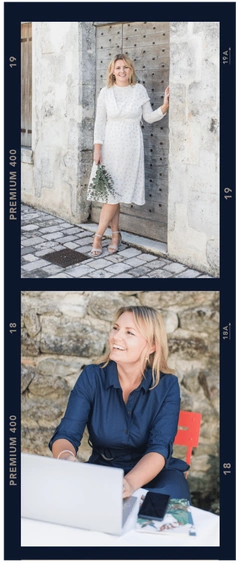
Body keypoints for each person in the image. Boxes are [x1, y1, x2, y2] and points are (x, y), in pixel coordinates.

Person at [49, 306, 190, 502]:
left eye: (129, 333)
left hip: (154, 475)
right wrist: (65, 457)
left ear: (151, 346)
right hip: (103, 472)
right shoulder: (92, 377)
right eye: (115, 328)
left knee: (164, 522)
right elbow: (67, 434)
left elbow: (159, 448)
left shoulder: (167, 385)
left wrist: (129, 483)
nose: (116, 337)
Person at [87, 54, 170, 256]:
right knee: (112, 195)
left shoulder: (138, 90)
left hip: (131, 148)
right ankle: (109, 235)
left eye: (125, 67)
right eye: (118, 68)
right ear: (112, 71)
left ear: (130, 69)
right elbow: (99, 123)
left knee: (115, 195)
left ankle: (104, 235)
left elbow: (148, 117)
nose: (122, 71)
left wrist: (165, 106)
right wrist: (97, 149)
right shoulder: (105, 92)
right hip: (110, 148)